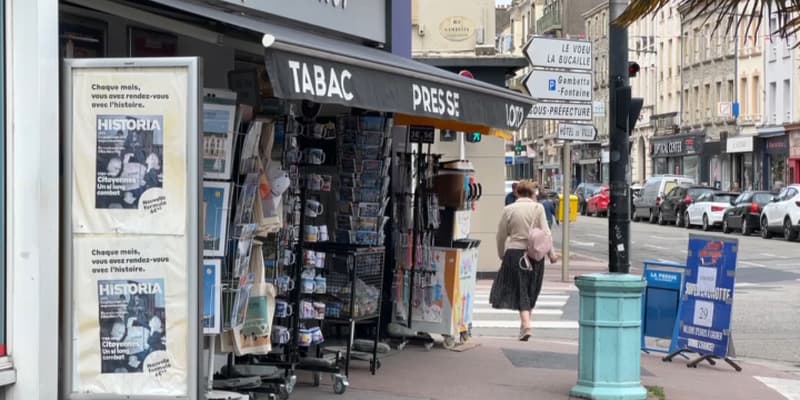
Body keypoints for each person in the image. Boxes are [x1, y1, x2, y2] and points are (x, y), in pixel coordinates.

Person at [490, 180, 559, 342]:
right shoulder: (538, 208)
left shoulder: (509, 209)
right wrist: (552, 254)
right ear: (533, 193)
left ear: (517, 193)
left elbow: (501, 235)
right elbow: (546, 233)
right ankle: (525, 324)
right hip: (535, 255)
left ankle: (526, 325)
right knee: (530, 289)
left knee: (520, 289)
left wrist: (501, 254)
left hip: (514, 254)